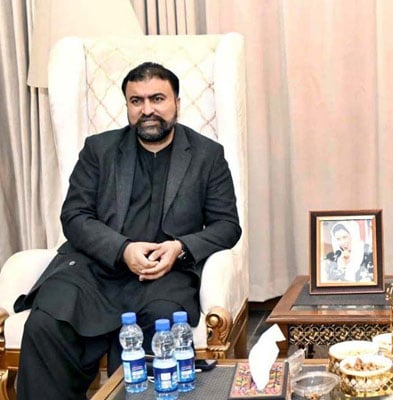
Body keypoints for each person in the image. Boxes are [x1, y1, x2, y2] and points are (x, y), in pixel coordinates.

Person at [13, 62, 241, 399]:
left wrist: (180, 247)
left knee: (162, 323)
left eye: (157, 98)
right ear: (128, 106)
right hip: (94, 268)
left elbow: (227, 225)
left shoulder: (207, 155)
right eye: (137, 101)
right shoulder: (99, 150)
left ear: (177, 102)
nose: (147, 110)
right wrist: (122, 250)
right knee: (46, 323)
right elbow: (74, 216)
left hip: (165, 273)